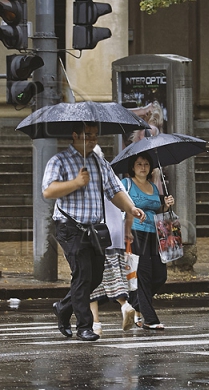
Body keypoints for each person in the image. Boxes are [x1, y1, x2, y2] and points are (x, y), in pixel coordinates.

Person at [43, 122, 146, 342]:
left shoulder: (100, 163)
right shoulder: (59, 161)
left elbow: (114, 191)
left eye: (95, 136)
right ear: (75, 135)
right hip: (69, 226)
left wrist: (130, 208)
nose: (92, 139)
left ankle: (63, 307)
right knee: (82, 274)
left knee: (96, 275)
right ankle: (84, 326)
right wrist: (76, 182)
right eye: (87, 135)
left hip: (94, 229)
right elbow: (49, 190)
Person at [88, 145, 136, 336]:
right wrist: (127, 230)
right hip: (115, 234)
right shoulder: (114, 176)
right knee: (114, 274)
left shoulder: (90, 178)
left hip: (96, 234)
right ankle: (124, 305)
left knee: (91, 279)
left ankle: (97, 323)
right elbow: (129, 205)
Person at [123, 152, 174, 330]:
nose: (143, 167)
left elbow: (156, 209)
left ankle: (132, 305)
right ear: (132, 167)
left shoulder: (153, 186)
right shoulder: (126, 184)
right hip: (135, 232)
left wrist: (165, 205)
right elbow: (119, 206)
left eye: (146, 164)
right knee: (143, 274)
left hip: (155, 233)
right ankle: (150, 319)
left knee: (160, 275)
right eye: (139, 164)